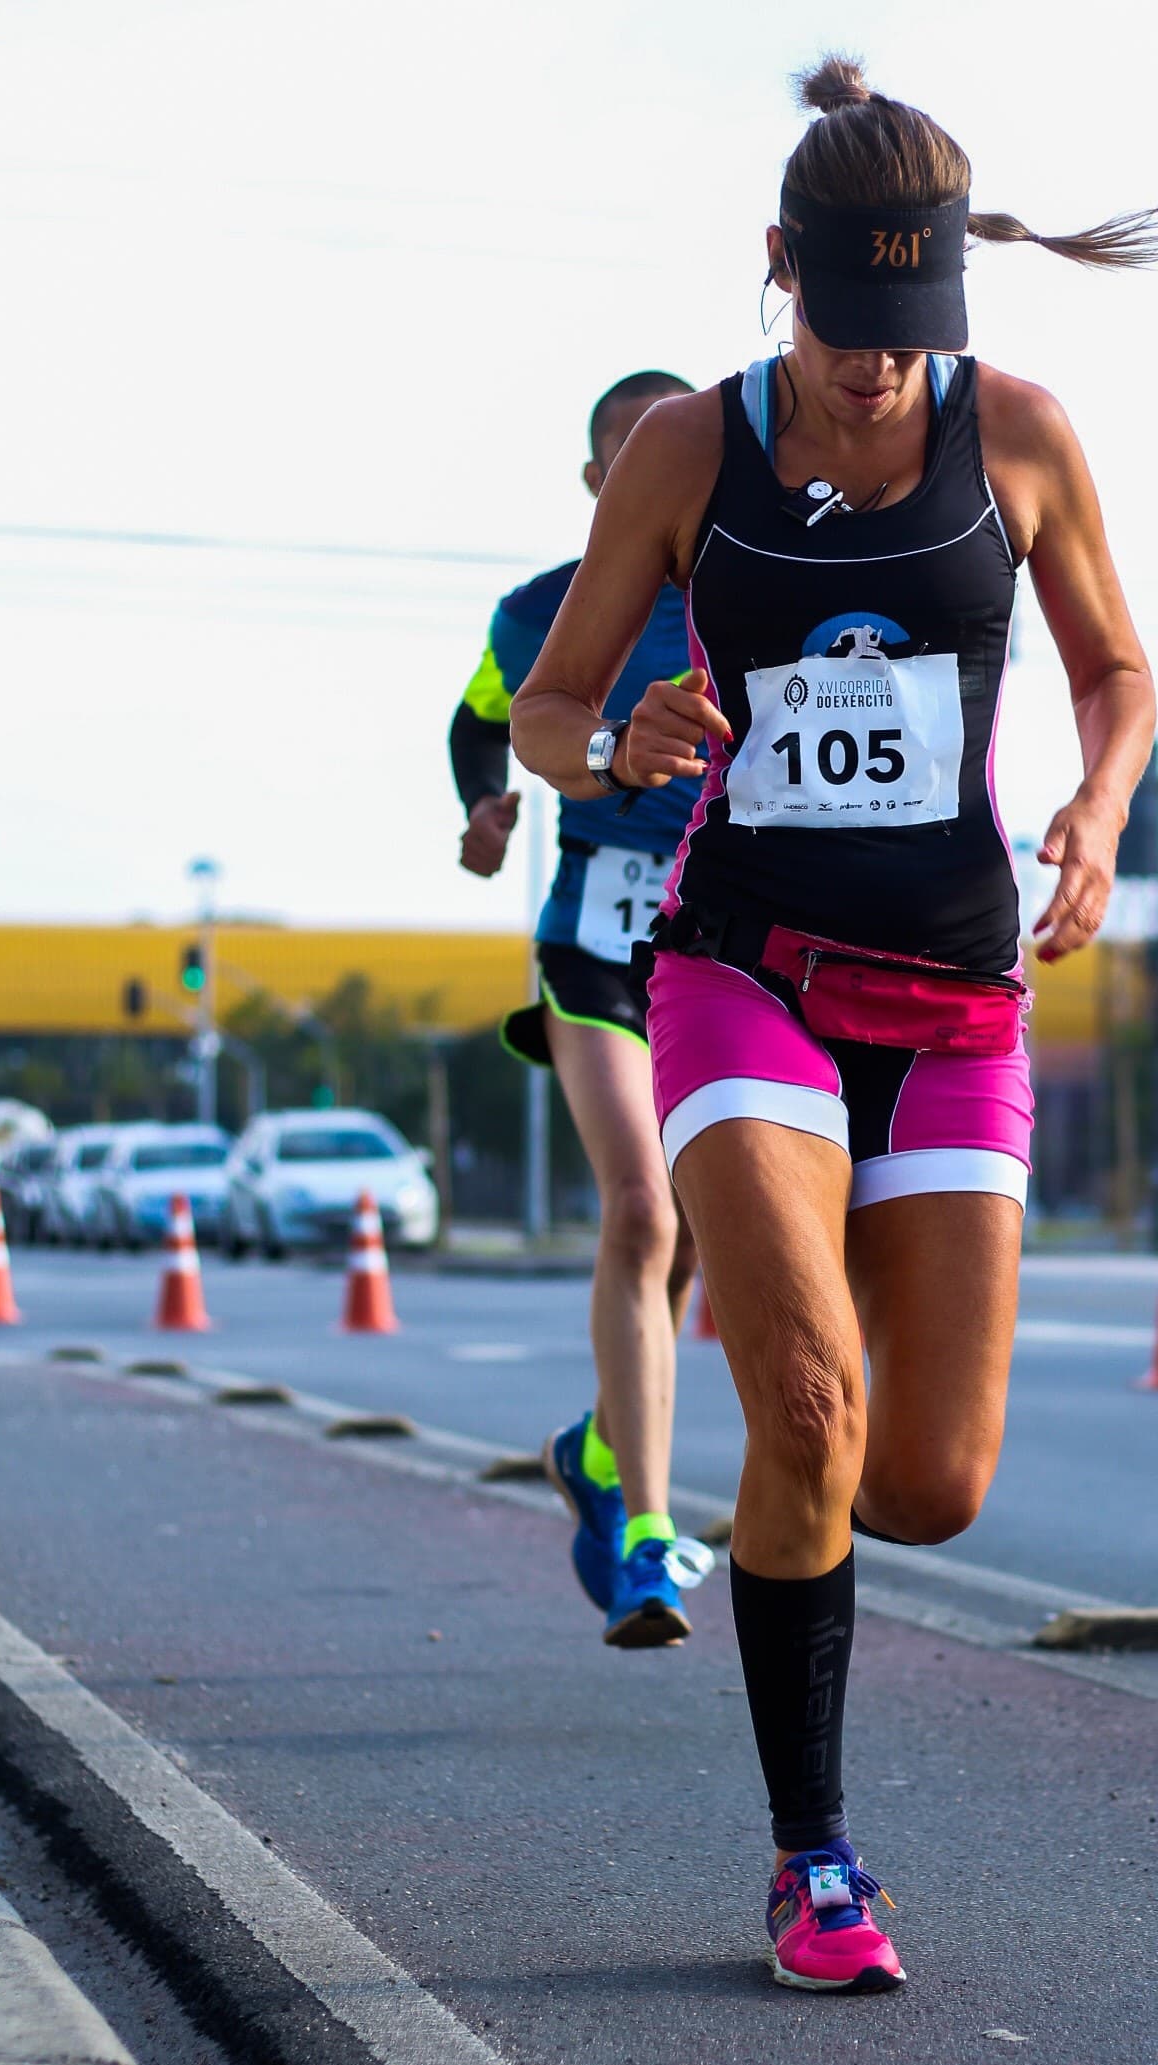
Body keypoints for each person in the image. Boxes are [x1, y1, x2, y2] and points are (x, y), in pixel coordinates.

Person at [510, 56, 1158, 1992]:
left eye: (913, 333)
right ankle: (814, 1862)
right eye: (845, 326)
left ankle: (791, 1405)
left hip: (960, 1001)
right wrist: (605, 737)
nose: (878, 368)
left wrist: (1094, 804)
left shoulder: (1023, 435)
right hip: (744, 970)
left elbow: (1118, 669)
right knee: (802, 1406)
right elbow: (551, 708)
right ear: (777, 272)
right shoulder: (686, 455)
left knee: (920, 1479)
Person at [450, 369, 706, 1648]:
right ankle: (650, 1539)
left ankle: (598, 1444)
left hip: (719, 948)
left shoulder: (750, 591)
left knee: (704, 1224)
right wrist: (483, 805)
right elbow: (477, 718)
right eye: (630, 454)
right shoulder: (540, 612)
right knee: (643, 1206)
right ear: (601, 480)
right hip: (596, 944)